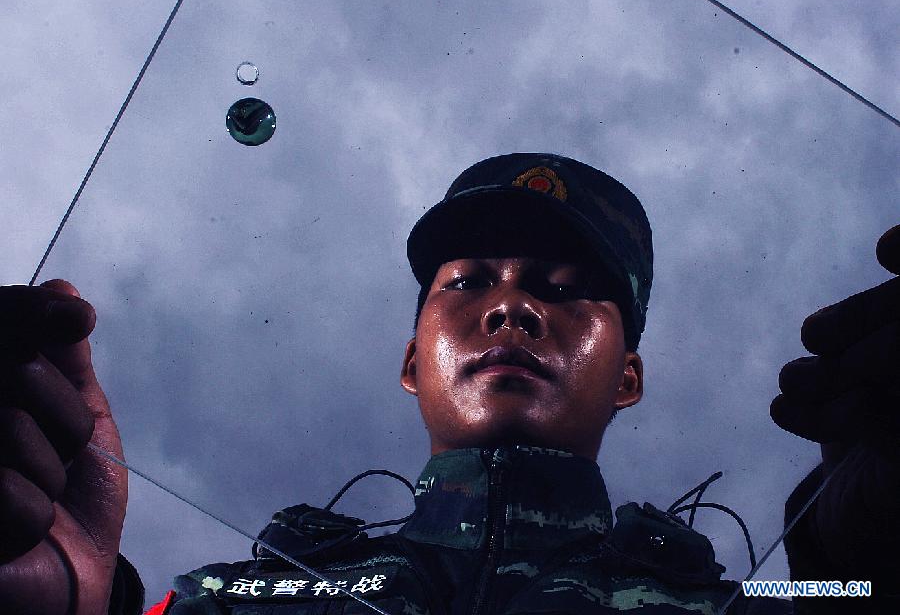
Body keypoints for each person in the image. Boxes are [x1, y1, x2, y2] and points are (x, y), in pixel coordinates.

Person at [0, 153, 897, 614]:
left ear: (628, 376)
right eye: (468, 284)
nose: (511, 310)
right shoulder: (228, 597)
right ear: (408, 360)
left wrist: (878, 573)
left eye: (561, 289)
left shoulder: (747, 602)